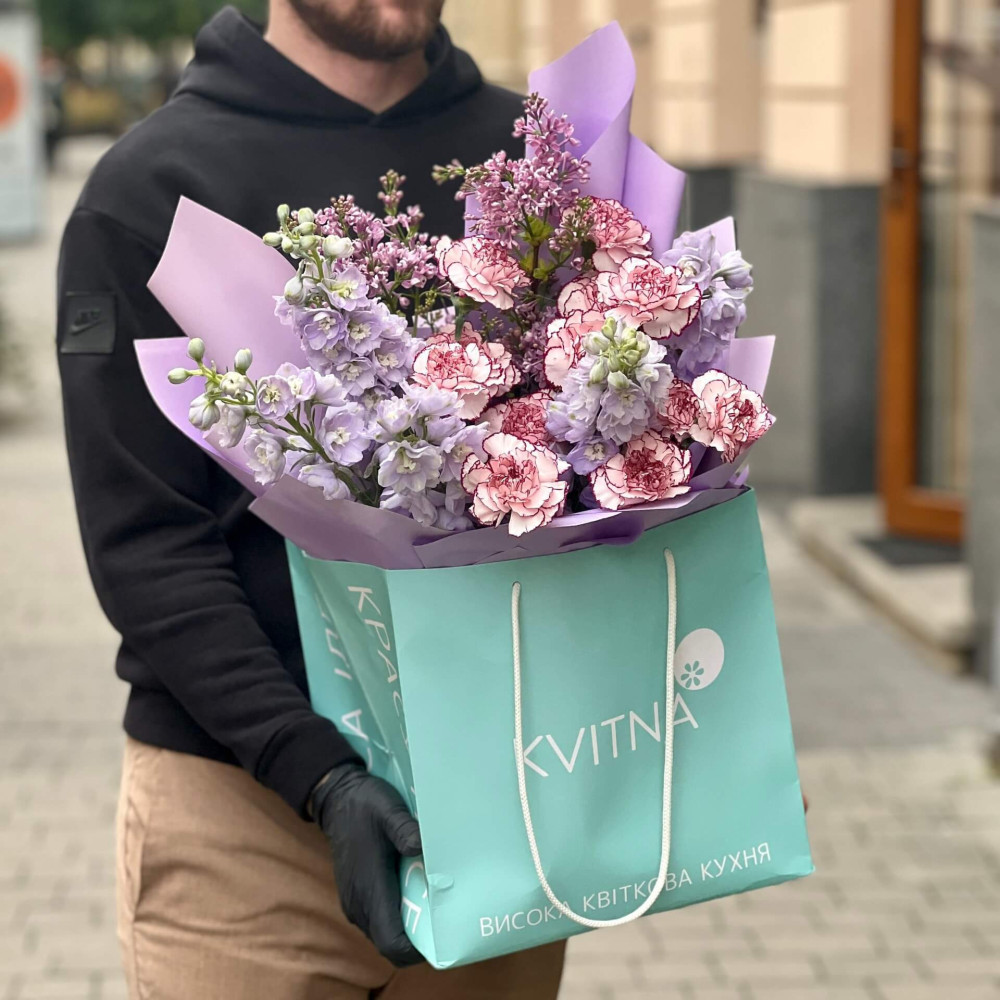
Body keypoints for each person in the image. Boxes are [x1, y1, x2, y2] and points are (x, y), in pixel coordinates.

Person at [55, 2, 566, 996]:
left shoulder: (533, 162)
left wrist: (703, 721)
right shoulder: (150, 189)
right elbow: (146, 544)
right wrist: (319, 775)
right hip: (243, 823)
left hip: (501, 801)